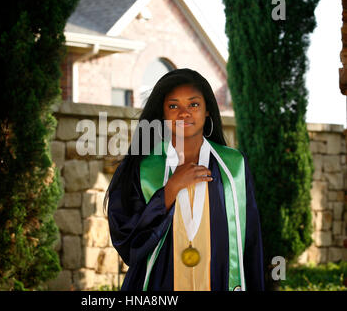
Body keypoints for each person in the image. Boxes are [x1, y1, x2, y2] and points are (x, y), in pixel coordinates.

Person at [104, 68, 264, 291]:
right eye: (173, 106)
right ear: (162, 113)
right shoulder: (142, 168)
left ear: (208, 110)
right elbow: (127, 242)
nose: (184, 113)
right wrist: (170, 191)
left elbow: (251, 240)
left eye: (194, 104)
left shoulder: (233, 166)